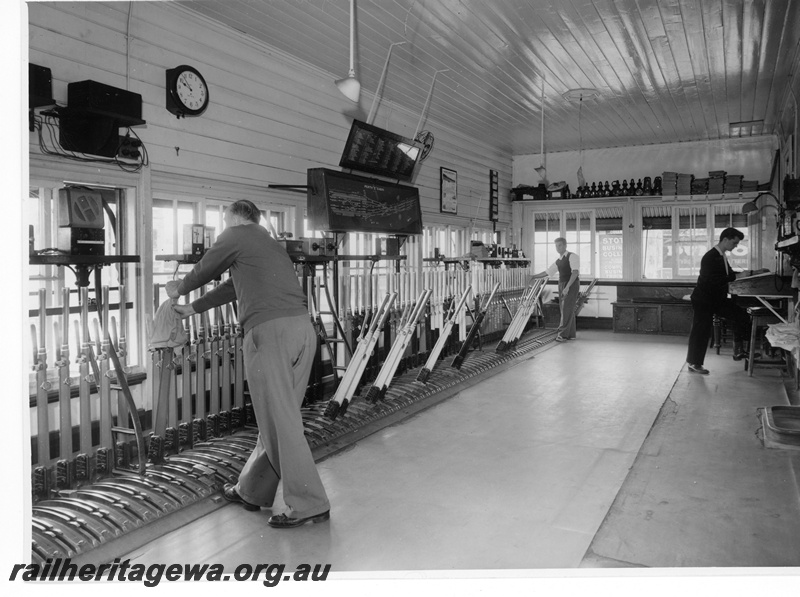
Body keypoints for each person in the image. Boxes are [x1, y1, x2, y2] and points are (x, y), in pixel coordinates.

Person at [165, 200, 330, 528]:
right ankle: (252, 490)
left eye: (226, 221)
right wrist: (194, 308)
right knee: (277, 417)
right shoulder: (268, 243)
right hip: (301, 331)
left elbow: (208, 266)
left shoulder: (238, 233)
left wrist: (178, 288)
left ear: (235, 217)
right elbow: (232, 286)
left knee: (279, 422)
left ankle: (310, 503)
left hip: (269, 336)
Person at [685, 227, 767, 374]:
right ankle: (694, 363)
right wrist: (737, 276)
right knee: (701, 330)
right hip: (703, 300)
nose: (735, 246)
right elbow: (713, 280)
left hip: (716, 299)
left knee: (740, 315)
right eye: (734, 243)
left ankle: (738, 351)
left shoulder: (721, 255)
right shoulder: (710, 256)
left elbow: (728, 274)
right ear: (725, 239)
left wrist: (750, 273)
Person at [532, 237, 580, 342]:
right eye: (556, 246)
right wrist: (533, 276)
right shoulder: (558, 261)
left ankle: (562, 335)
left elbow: (575, 273)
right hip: (562, 283)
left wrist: (567, 287)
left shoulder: (572, 256)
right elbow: (547, 272)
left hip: (571, 284)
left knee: (566, 308)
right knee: (566, 309)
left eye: (560, 245)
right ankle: (570, 334)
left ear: (565, 245)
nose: (558, 248)